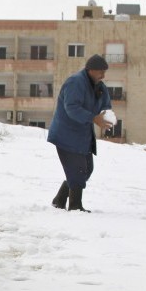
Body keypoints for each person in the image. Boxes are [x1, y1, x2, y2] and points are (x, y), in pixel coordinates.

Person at [47, 54, 114, 212]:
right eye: (100, 71)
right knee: (77, 170)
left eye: (104, 71)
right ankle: (75, 206)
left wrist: (107, 116)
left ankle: (59, 200)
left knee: (87, 169)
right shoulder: (75, 82)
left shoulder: (99, 86)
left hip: (82, 136)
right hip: (66, 134)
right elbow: (72, 108)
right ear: (90, 70)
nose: (103, 75)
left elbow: (105, 105)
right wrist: (93, 118)